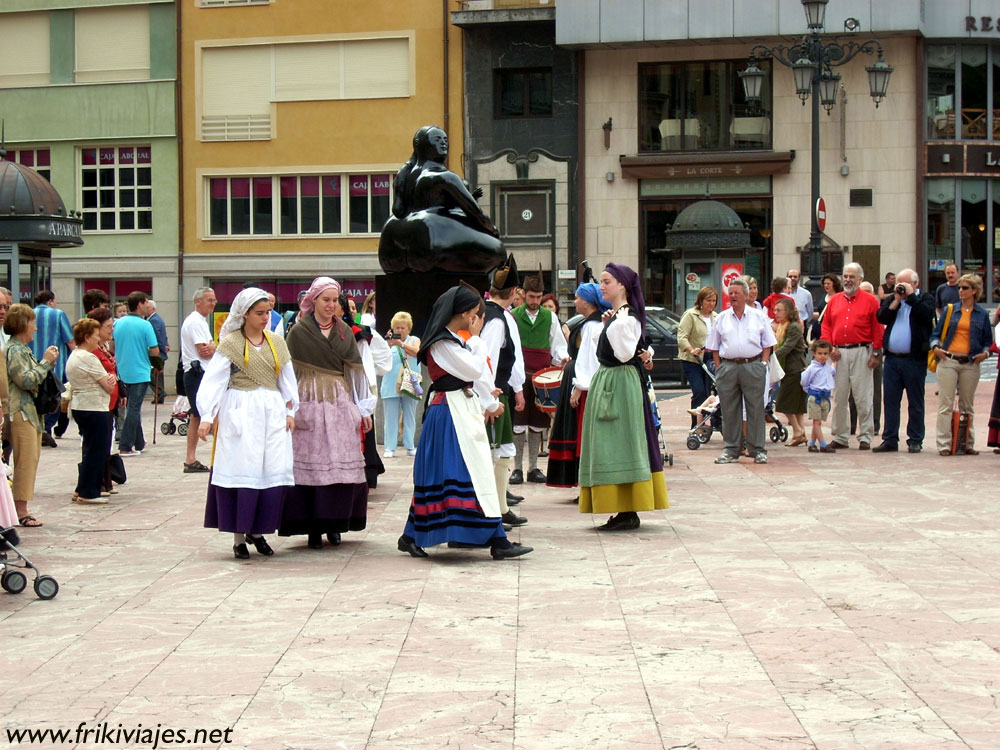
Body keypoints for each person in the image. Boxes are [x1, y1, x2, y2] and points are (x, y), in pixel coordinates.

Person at [396, 284, 532, 560]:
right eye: (474, 312)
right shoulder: (443, 343)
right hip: (449, 413)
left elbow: (472, 374)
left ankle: (416, 536)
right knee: (461, 474)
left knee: (464, 474)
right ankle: (494, 540)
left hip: (457, 409)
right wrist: (477, 339)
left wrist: (489, 400)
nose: (476, 318)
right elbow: (473, 369)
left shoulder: (453, 341)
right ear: (464, 313)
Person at [197, 287, 297, 560]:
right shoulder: (231, 343)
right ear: (245, 314)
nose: (265, 318)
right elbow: (215, 380)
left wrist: (291, 410)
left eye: (268, 313)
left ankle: (258, 531)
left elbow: (286, 379)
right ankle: (239, 537)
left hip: (271, 412)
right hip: (240, 410)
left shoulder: (277, 342)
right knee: (242, 468)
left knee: (269, 468)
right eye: (259, 313)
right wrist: (207, 416)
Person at [281, 277, 373, 550]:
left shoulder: (344, 331)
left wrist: (363, 408)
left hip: (338, 401)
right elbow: (287, 374)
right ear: (314, 301)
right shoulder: (298, 332)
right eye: (326, 300)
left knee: (338, 464)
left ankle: (335, 524)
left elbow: (356, 373)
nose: (331, 305)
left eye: (335, 300)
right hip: (308, 399)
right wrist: (288, 407)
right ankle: (312, 527)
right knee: (311, 463)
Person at [577, 264, 667, 529]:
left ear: (622, 286)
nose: (602, 286)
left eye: (607, 282)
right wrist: (610, 324)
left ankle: (628, 510)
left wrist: (614, 326)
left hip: (621, 384)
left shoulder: (627, 319)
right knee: (611, 442)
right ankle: (622, 507)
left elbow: (626, 353)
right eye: (602, 281)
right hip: (612, 380)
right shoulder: (618, 317)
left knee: (621, 442)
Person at [378, 125, 505, 274]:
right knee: (499, 250)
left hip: (393, 243)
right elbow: (475, 212)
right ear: (422, 145)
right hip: (431, 238)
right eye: (437, 139)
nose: (443, 143)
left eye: (445, 139)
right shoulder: (444, 176)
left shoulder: (406, 177)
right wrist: (492, 229)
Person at [705, 278, 777, 464]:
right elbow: (714, 346)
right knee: (729, 410)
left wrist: (762, 364)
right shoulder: (721, 318)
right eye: (730, 293)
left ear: (746, 295)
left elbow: (768, 344)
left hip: (753, 365)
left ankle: (757, 450)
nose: (733, 296)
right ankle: (731, 449)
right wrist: (719, 367)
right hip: (728, 367)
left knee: (756, 409)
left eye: (736, 293)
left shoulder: (758, 316)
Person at [480, 255, 528, 522]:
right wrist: (489, 401)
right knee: (493, 452)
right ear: (513, 292)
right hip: (494, 394)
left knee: (501, 453)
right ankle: (492, 512)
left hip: (497, 392)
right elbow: (486, 362)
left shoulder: (491, 314)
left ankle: (500, 509)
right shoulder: (497, 320)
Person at [547, 282, 608, 490]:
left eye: (578, 298)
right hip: (579, 377)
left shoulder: (592, 325)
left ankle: (586, 482)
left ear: (587, 302)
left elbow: (591, 360)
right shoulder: (590, 323)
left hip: (584, 383)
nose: (575, 302)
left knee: (581, 432)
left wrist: (579, 387)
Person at [510, 274, 568, 484]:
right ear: (523, 294)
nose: (535, 301)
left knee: (538, 423)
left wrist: (563, 358)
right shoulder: (512, 316)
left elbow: (558, 344)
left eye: (538, 297)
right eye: (531, 297)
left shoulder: (550, 317)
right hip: (518, 376)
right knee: (518, 423)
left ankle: (533, 468)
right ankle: (517, 468)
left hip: (542, 376)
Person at [5, 304, 59, 527]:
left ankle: (18, 507)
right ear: (22, 324)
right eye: (32, 323)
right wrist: (45, 362)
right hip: (20, 411)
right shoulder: (15, 350)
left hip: (29, 412)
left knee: (30, 459)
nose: (35, 328)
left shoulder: (22, 349)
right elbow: (26, 380)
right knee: (25, 461)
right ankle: (21, 511)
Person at [820, 263, 883, 451]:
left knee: (863, 396)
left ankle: (865, 436)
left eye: (852, 277)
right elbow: (826, 325)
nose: (848, 280)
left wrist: (876, 352)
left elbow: (878, 328)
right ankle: (840, 436)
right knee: (839, 396)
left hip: (861, 351)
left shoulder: (871, 301)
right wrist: (829, 347)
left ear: (860, 279)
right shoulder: (834, 301)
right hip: (838, 353)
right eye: (845, 276)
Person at [930, 273, 992, 456]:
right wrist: (936, 347)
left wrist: (986, 353)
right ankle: (944, 444)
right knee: (946, 404)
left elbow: (987, 341)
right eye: (959, 288)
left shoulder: (982, 314)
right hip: (948, 360)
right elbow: (936, 334)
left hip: (970, 363)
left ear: (974, 291)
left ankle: (967, 443)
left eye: (965, 288)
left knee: (967, 405)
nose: (960, 291)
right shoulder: (950, 311)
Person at [874, 268, 935, 453]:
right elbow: (881, 317)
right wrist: (896, 300)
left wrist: (911, 297)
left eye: (905, 284)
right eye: (898, 283)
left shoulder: (925, 298)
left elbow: (926, 315)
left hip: (914, 359)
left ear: (915, 284)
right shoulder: (895, 300)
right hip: (892, 359)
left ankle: (915, 439)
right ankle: (890, 439)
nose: (900, 287)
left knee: (915, 402)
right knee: (890, 401)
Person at [65, 319, 117, 504]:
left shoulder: (75, 355)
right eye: (95, 335)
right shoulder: (88, 357)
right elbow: (108, 385)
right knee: (97, 450)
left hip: (82, 406)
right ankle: (88, 492)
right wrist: (111, 379)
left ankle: (82, 488)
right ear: (87, 337)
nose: (98, 339)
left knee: (90, 449)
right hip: (94, 407)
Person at [340, 293, 387, 488]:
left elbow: (377, 361)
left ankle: (364, 476)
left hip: (355, 392)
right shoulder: (311, 332)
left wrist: (366, 397)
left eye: (352, 307)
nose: (351, 310)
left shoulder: (360, 333)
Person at [113, 291, 160, 457]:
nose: (148, 305)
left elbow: (112, 346)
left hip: (122, 371)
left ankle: (139, 441)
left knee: (132, 407)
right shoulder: (145, 325)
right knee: (133, 408)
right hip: (140, 371)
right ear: (140, 304)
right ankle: (125, 445)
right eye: (146, 302)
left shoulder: (117, 323)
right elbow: (155, 350)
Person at [31, 290, 75, 447]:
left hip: (33, 364)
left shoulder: (29, 314)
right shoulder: (58, 314)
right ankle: (46, 428)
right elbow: (70, 340)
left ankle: (42, 429)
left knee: (36, 398)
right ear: (50, 301)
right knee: (55, 399)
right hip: (55, 365)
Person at [180, 287, 217, 473]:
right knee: (205, 414)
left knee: (199, 415)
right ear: (198, 301)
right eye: (209, 300)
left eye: (214, 300)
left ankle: (191, 458)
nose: (213, 303)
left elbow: (209, 348)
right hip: (197, 373)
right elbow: (205, 350)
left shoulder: (200, 321)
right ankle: (194, 458)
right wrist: (214, 347)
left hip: (199, 372)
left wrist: (213, 346)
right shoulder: (195, 322)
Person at [86, 307, 121, 496]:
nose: (111, 330)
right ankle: (94, 483)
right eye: (108, 326)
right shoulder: (91, 351)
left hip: (110, 401)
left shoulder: (104, 347)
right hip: (99, 401)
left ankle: (106, 481)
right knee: (96, 444)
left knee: (106, 442)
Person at [677, 286, 718, 428]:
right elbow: (681, 337)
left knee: (709, 392)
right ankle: (697, 424)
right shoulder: (691, 315)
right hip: (692, 360)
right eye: (708, 300)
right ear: (701, 300)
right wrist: (691, 349)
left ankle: (710, 421)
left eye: (714, 301)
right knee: (699, 391)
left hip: (710, 359)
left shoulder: (716, 317)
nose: (711, 304)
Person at [381, 312, 421, 458]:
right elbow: (380, 357)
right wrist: (387, 343)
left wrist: (401, 344)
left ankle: (409, 445)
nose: (400, 330)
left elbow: (417, 352)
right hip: (391, 384)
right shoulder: (388, 341)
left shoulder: (414, 340)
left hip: (410, 383)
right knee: (390, 417)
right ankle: (390, 447)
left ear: (408, 328)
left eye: (403, 328)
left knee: (409, 415)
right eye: (397, 328)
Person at [772, 298, 808, 446]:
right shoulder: (781, 326)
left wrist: (770, 357)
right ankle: (801, 433)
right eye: (774, 310)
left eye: (779, 310)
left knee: (783, 402)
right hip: (787, 369)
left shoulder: (793, 327)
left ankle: (798, 431)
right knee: (797, 406)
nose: (776, 313)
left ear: (787, 311)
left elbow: (787, 347)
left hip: (795, 369)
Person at [800, 340, 837, 453]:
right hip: (815, 397)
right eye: (820, 353)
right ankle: (823, 444)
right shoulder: (812, 368)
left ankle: (812, 443)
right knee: (817, 422)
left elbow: (833, 371)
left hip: (825, 397)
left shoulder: (827, 367)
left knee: (817, 421)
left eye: (825, 353)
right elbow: (804, 381)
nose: (823, 356)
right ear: (814, 353)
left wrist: (835, 362)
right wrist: (809, 391)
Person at [807, 273, 842, 345]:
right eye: (825, 284)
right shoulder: (823, 296)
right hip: (821, 328)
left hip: (832, 329)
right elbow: (821, 313)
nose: (826, 285)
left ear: (834, 284)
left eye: (828, 284)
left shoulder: (839, 298)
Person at [146, 299, 169, 404]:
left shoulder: (153, 320)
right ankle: (159, 395)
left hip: (158, 351)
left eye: (148, 308)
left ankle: (160, 392)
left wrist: (162, 347)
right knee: (158, 375)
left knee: (153, 374)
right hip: (161, 349)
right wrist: (166, 345)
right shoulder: (158, 319)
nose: (146, 310)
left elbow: (156, 336)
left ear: (153, 309)